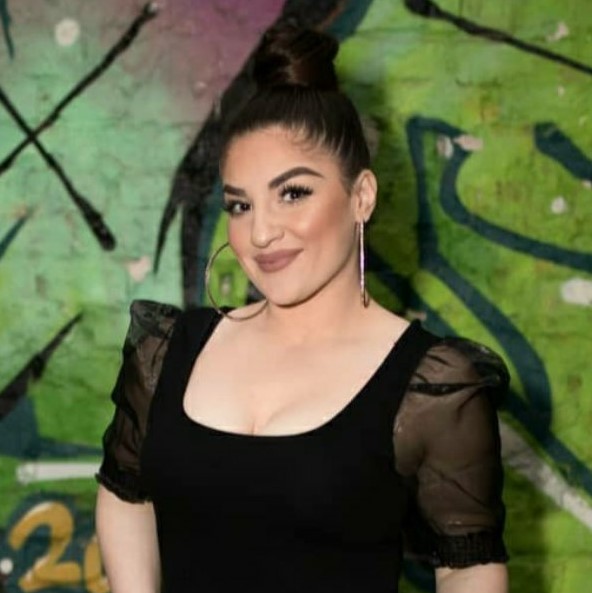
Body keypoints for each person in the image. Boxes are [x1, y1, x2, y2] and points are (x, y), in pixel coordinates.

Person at [95, 24, 509, 593]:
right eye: (240, 205)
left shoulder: (430, 388)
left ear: (361, 196)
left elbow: (467, 567)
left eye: (292, 193)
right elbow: (124, 494)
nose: (261, 232)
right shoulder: (167, 353)